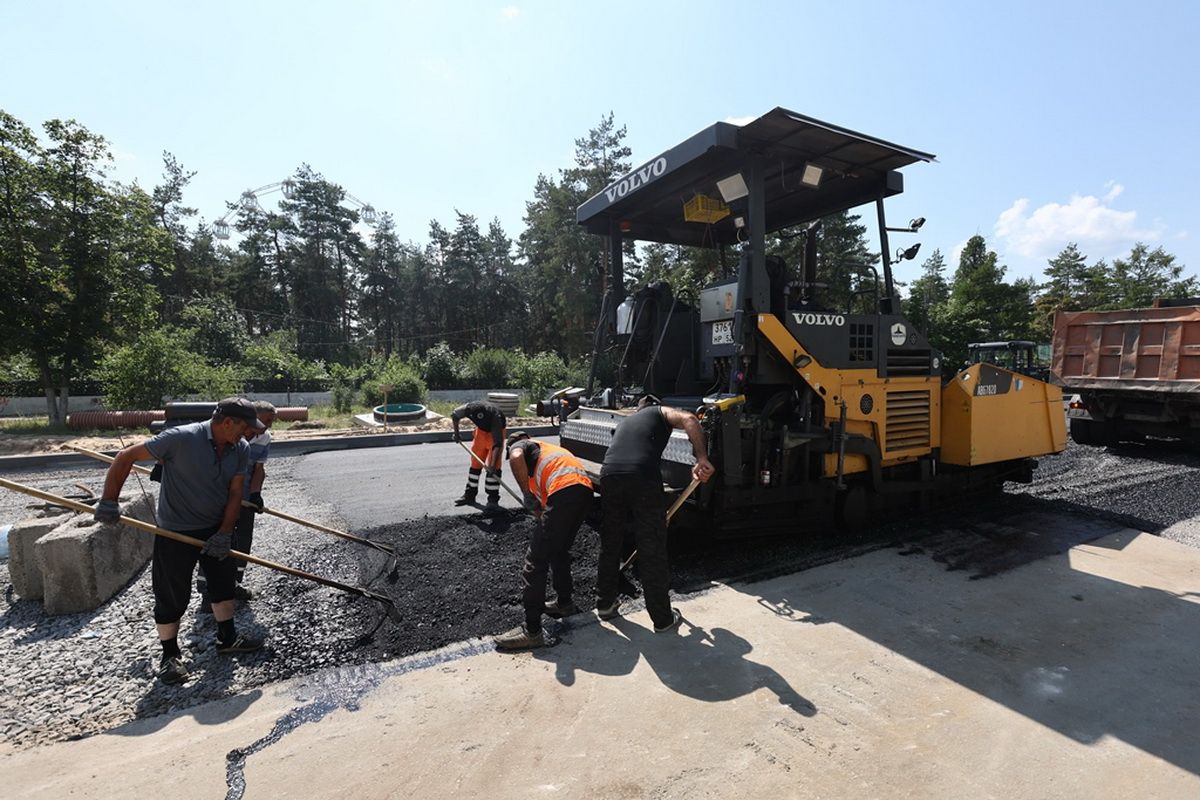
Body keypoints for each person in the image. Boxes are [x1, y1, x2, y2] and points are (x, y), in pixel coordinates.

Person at [94, 397, 267, 685]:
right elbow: (125, 457)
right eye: (245, 427)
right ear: (227, 423)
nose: (249, 433)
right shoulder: (181, 438)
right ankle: (170, 656)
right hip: (176, 531)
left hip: (215, 529)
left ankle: (227, 638)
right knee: (172, 593)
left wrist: (225, 533)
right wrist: (108, 501)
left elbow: (236, 493)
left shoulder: (240, 448)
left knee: (223, 586)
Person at [595, 396, 715, 633]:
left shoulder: (626, 422)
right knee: (651, 546)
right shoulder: (659, 413)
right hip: (641, 476)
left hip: (609, 474)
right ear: (656, 406)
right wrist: (701, 458)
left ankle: (606, 605)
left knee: (610, 541)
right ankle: (662, 619)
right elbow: (690, 418)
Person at [494, 432, 595, 650]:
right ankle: (565, 604)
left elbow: (516, 455)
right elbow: (546, 512)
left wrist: (525, 493)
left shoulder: (523, 444)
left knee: (535, 560)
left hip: (565, 492)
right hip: (584, 493)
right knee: (558, 551)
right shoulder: (549, 458)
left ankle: (532, 631)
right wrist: (536, 508)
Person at [231, 400, 277, 598]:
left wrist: (256, 493)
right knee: (220, 540)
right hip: (222, 499)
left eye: (271, 422)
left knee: (243, 540)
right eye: (266, 420)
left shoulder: (264, 438)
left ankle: (235, 584)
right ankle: (209, 592)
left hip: (245, 499)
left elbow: (259, 469)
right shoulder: (231, 435)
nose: (269, 426)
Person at [450, 400, 507, 515]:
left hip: (495, 435)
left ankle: (492, 501)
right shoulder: (469, 408)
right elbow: (454, 416)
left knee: (494, 468)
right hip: (480, 432)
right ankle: (469, 495)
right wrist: (457, 434)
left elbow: (497, 443)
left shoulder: (495, 417)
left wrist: (492, 465)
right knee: (475, 464)